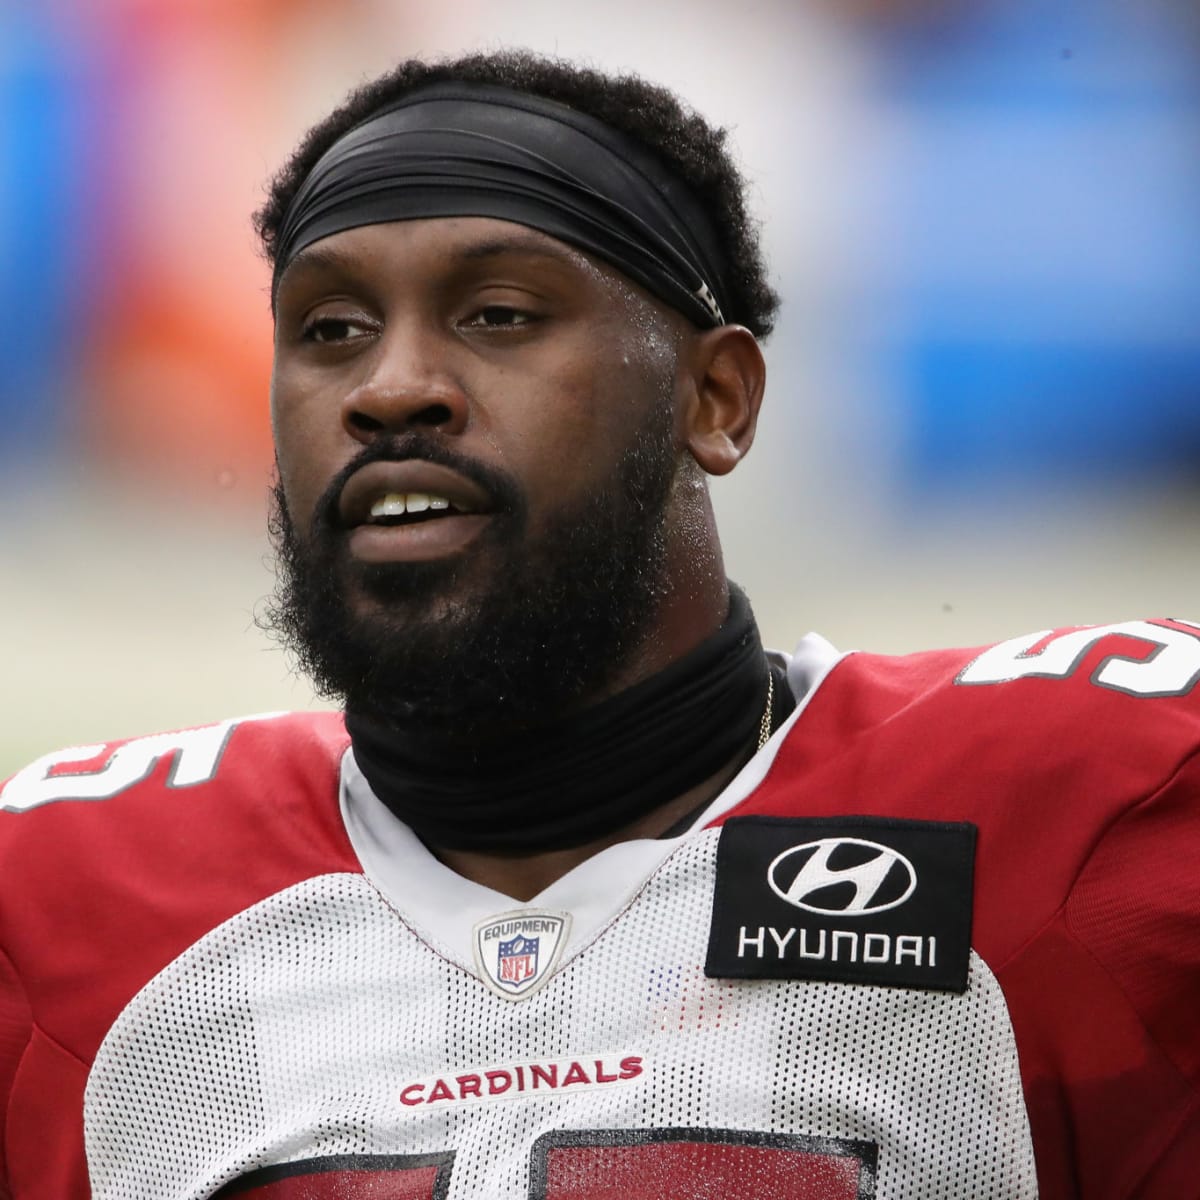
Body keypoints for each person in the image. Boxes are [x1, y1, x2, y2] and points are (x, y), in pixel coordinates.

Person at [1, 49, 1197, 1200]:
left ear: (714, 398)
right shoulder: (59, 906)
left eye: (502, 313)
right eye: (330, 330)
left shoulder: (1084, 803)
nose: (388, 387)